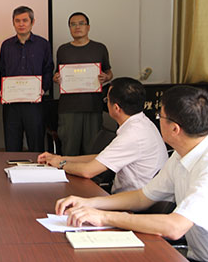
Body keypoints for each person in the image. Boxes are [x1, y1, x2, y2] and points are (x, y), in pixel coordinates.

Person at [56, 86, 208, 262]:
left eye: (160, 116)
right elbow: (143, 197)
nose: (158, 121)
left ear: (175, 129)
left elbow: (175, 227)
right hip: (194, 261)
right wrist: (90, 203)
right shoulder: (182, 153)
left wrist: (104, 217)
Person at [38, 77, 168, 193]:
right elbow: (102, 158)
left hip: (134, 205)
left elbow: (87, 171)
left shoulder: (133, 135)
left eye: (107, 100)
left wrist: (61, 164)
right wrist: (61, 158)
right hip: (132, 196)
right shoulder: (143, 123)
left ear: (116, 108)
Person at [54, 12, 113, 156]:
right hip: (68, 108)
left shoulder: (99, 48)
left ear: (88, 27)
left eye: (81, 23)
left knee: (92, 149)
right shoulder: (63, 50)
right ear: (69, 28)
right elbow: (57, 74)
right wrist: (56, 78)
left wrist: (106, 77)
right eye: (73, 24)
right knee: (69, 150)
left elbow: (109, 72)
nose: (77, 27)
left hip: (93, 106)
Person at [0, 6, 53, 151]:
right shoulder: (6, 45)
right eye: (17, 21)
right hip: (12, 105)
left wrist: (43, 88)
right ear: (13, 23)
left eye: (25, 20)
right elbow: (2, 70)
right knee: (12, 146)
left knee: (36, 145)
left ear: (32, 22)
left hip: (34, 104)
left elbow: (48, 69)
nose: (21, 24)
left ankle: (36, 167)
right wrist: (2, 89)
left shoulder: (43, 44)